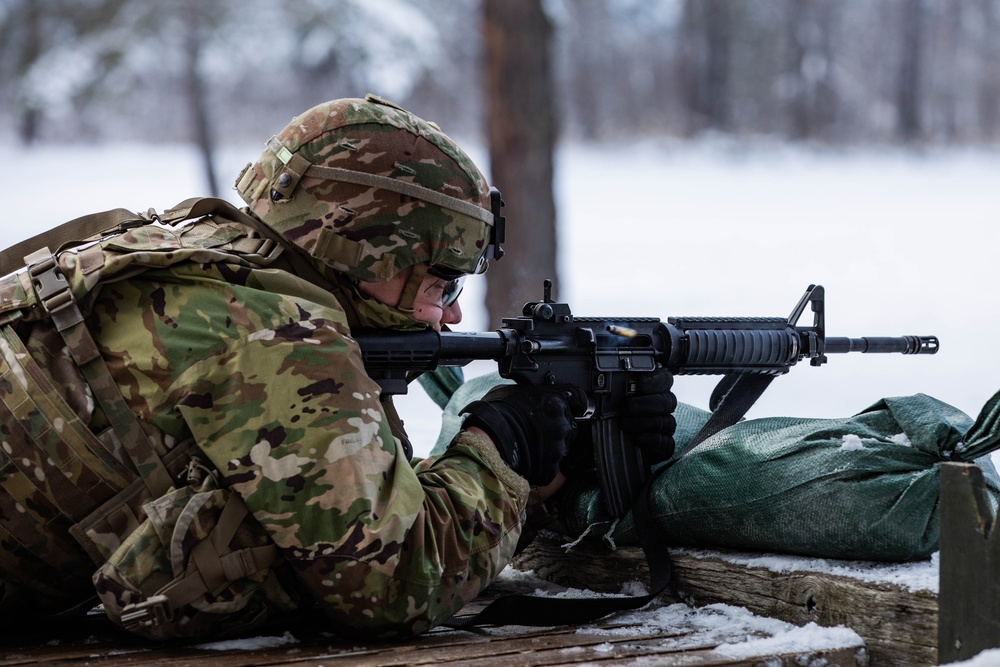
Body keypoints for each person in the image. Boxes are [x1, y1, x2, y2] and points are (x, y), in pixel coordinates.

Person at [0, 94, 674, 640]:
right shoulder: (275, 335)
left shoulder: (205, 261)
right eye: (441, 285)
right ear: (372, 254)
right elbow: (395, 582)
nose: (450, 318)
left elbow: (335, 506)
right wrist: (502, 446)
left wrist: (542, 475)